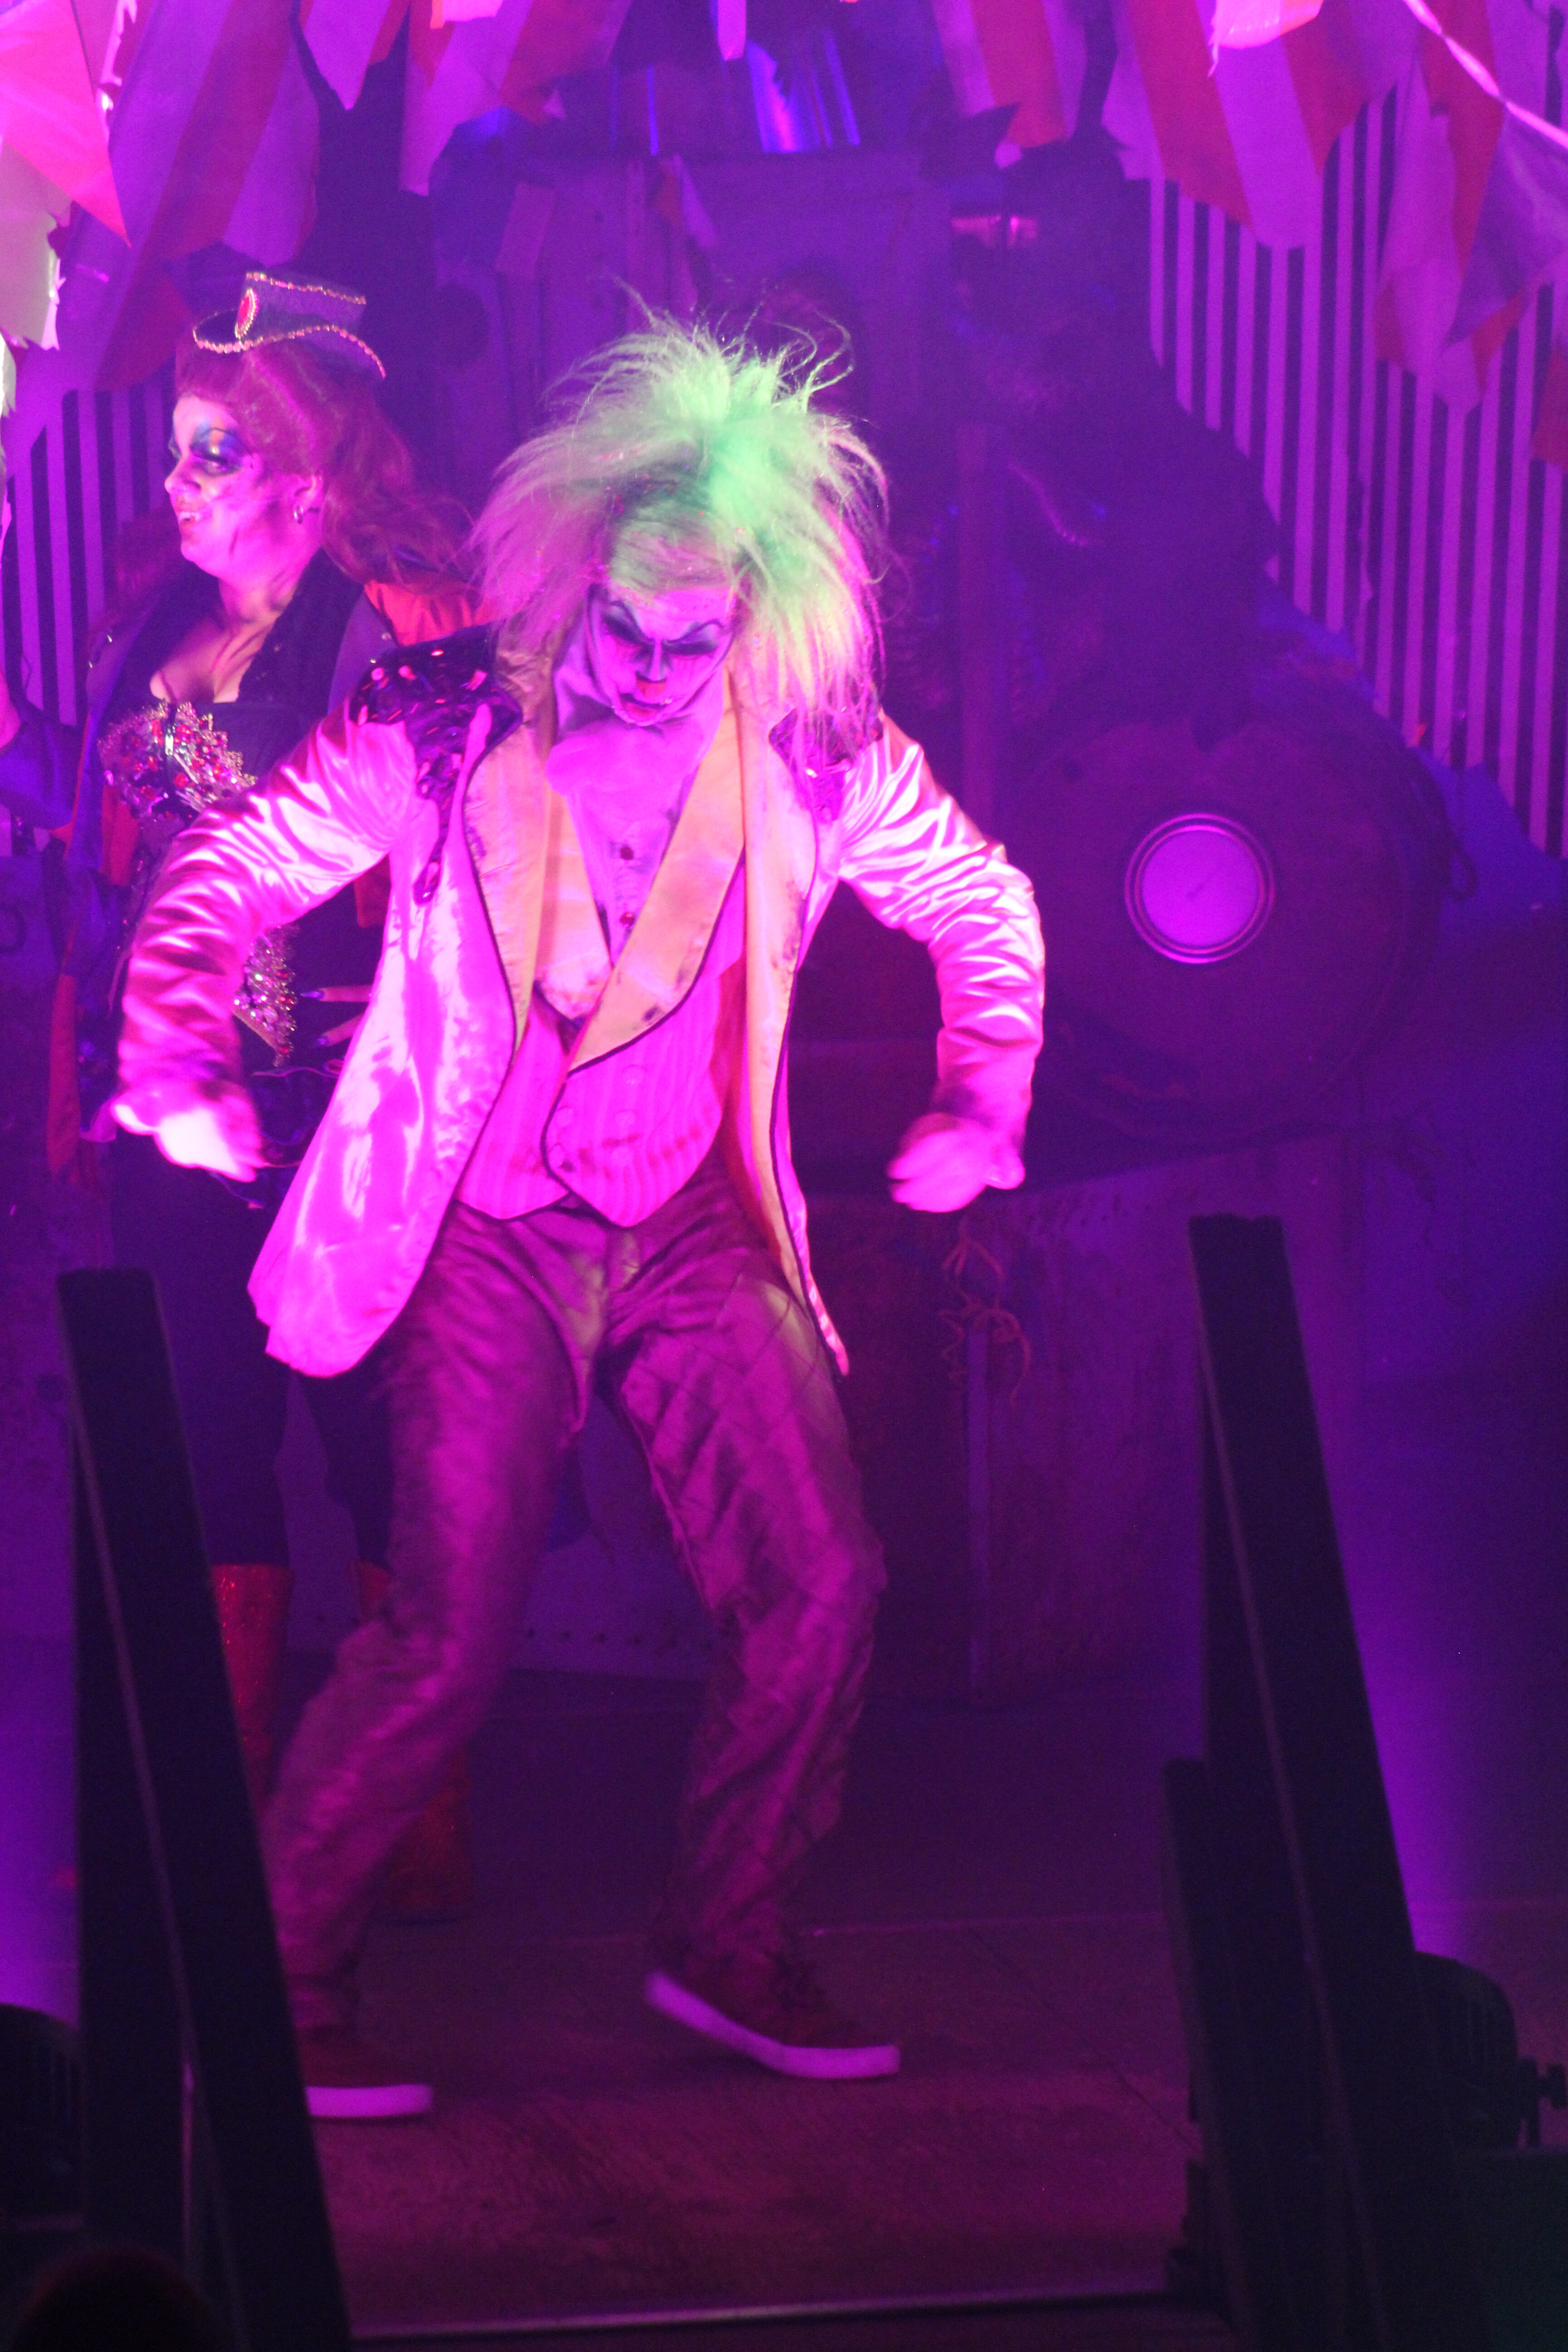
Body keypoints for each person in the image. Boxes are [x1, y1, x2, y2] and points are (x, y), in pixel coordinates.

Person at [113, 321, 1045, 2119]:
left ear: (753, 621)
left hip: (692, 1215)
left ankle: (729, 1938)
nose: (655, 670)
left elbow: (981, 904)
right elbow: (228, 868)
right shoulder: (443, 714)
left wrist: (982, 1094)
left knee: (822, 1581)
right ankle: (268, 1984)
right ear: (571, 585)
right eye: (625, 628)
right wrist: (172, 1048)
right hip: (483, 1223)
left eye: (698, 640)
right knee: (447, 1630)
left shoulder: (818, 751)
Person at [0, 270, 472, 1907]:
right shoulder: (153, 623)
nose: (177, 483)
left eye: (214, 452)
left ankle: (407, 1826)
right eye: (178, 448)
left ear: (308, 473)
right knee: (199, 1445)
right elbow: (94, 844)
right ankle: (221, 1817)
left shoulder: (396, 628)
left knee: (381, 1451)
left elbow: (470, 870)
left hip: (349, 1118)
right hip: (169, 1110)